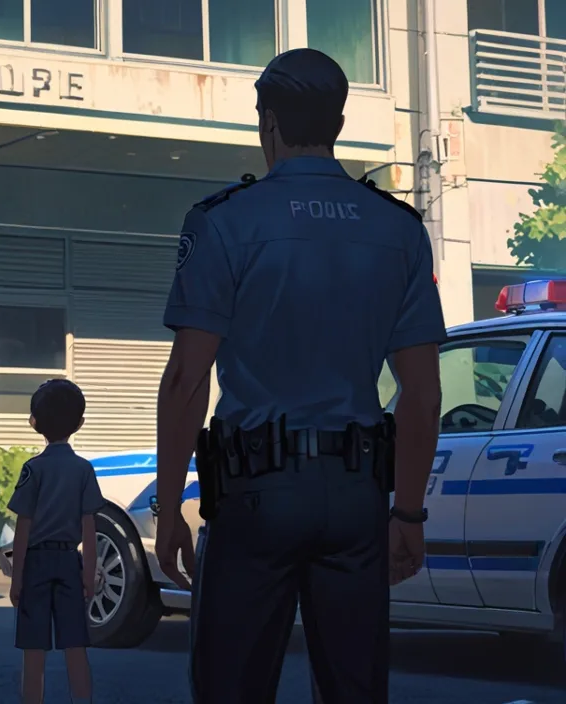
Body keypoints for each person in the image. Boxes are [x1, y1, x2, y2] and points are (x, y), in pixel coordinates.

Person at [151, 48, 444, 704]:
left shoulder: (223, 220)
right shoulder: (398, 229)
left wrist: (170, 508)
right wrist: (408, 513)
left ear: (269, 122)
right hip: (356, 496)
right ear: (337, 124)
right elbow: (422, 396)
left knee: (230, 686)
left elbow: (185, 381)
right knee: (354, 689)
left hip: (255, 494)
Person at [7, 379, 105, 704]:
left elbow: (24, 526)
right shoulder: (83, 470)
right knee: (76, 645)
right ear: (80, 423)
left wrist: (17, 577)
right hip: (68, 562)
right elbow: (89, 529)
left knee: (33, 650)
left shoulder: (32, 470)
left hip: (35, 564)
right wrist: (89, 574)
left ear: (34, 423)